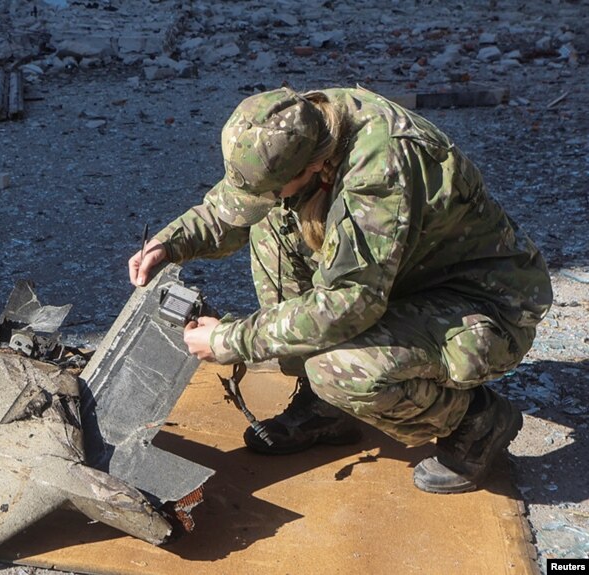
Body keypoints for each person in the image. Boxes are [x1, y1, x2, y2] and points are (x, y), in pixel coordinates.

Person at [128, 87, 552, 494]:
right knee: (273, 223)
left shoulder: (379, 171)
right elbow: (239, 203)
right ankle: (324, 407)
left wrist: (230, 339)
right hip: (404, 281)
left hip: (484, 306)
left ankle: (475, 422)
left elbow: (349, 304)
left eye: (279, 185)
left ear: (312, 167)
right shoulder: (300, 125)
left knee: (339, 368)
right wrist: (171, 243)